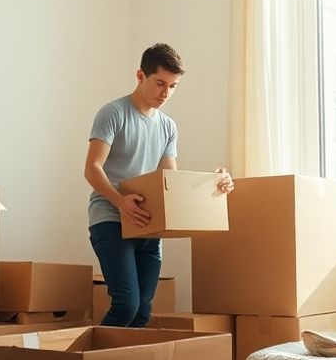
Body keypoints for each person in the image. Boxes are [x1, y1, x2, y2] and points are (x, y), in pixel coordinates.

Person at [84, 43, 234, 327]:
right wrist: (120, 201)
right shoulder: (113, 113)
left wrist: (216, 183)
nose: (166, 93)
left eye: (174, 86)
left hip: (149, 225)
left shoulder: (168, 127)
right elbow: (91, 169)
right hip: (111, 218)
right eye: (160, 83)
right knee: (126, 304)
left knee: (142, 310)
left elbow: (170, 183)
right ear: (140, 76)